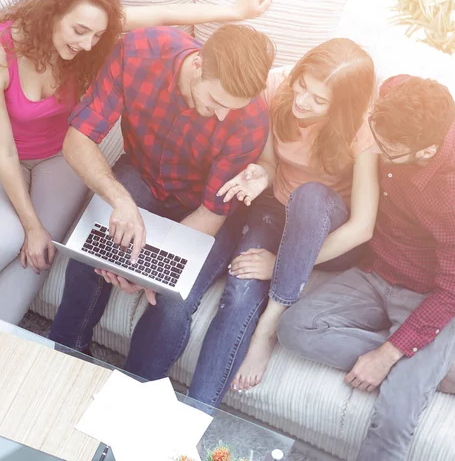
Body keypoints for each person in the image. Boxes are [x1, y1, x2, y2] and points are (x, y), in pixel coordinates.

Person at [0, 0, 279, 349]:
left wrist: (236, 12)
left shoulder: (96, 36)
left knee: (47, 247)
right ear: (53, 11)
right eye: (80, 31)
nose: (89, 45)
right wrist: (33, 224)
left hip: (56, 155)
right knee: (11, 237)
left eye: (97, 34)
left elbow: (163, 15)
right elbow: (6, 150)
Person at [121, 38, 379, 408]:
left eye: (319, 100)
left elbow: (362, 227)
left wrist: (280, 265)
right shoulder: (279, 87)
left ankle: (202, 407)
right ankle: (133, 399)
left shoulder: (361, 130)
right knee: (184, 289)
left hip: (323, 227)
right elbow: (270, 163)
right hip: (272, 208)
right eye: (302, 86)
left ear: (343, 107)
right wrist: (260, 172)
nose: (303, 101)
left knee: (304, 202)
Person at [277, 75, 455, 461]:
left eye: (387, 150)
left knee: (393, 420)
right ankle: (429, 373)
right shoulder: (397, 90)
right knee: (293, 327)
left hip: (432, 295)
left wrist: (389, 354)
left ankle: (415, 373)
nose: (373, 148)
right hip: (377, 268)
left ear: (425, 151)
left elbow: (452, 294)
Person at [48, 24, 276, 356]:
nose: (225, 116)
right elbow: (77, 140)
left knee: (171, 301)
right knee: (93, 253)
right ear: (198, 65)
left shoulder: (251, 119)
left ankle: (138, 394)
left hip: (202, 205)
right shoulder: (137, 52)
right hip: (141, 172)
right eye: (216, 100)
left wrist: (141, 270)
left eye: (234, 107)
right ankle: (64, 356)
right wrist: (120, 200)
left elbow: (210, 215)